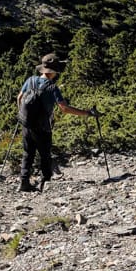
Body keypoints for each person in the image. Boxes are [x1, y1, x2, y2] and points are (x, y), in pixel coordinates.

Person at [16, 53, 98, 192]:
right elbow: (64, 108)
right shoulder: (52, 87)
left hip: (26, 124)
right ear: (53, 72)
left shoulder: (30, 80)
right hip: (43, 126)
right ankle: (45, 182)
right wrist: (86, 113)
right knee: (45, 154)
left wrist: (22, 115)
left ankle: (24, 182)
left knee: (27, 153)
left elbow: (19, 97)